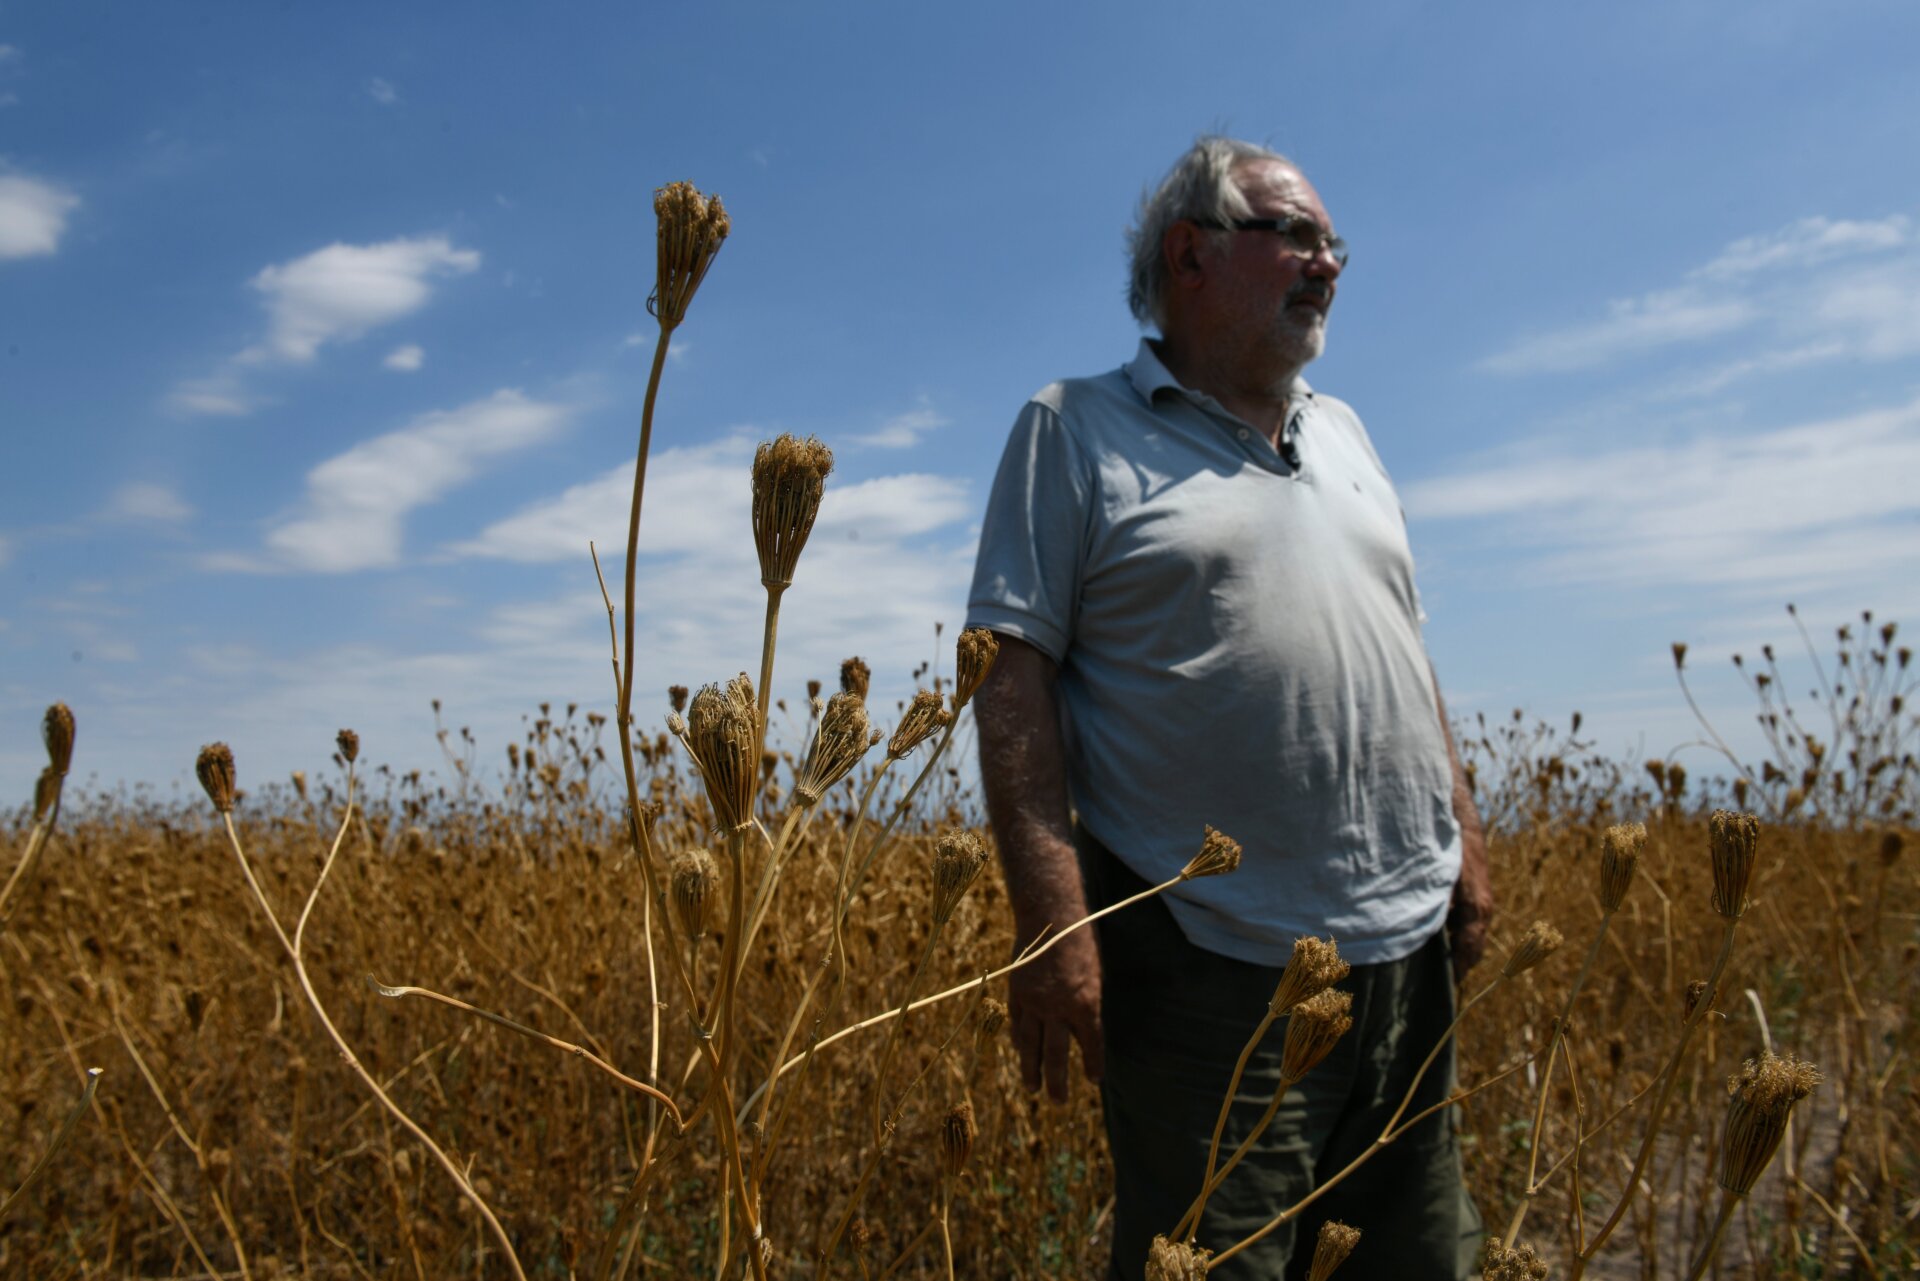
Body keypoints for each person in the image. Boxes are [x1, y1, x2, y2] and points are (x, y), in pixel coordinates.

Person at [966, 136, 1493, 1280]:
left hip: (1407, 951)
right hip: (1214, 966)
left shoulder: (1345, 433)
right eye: (1295, 233)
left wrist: (1463, 842)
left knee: (1417, 1259)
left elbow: (1403, 644)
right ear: (1190, 253)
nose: (1328, 264)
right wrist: (1055, 929)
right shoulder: (1075, 430)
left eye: (1334, 243)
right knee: (1218, 1260)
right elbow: (1011, 682)